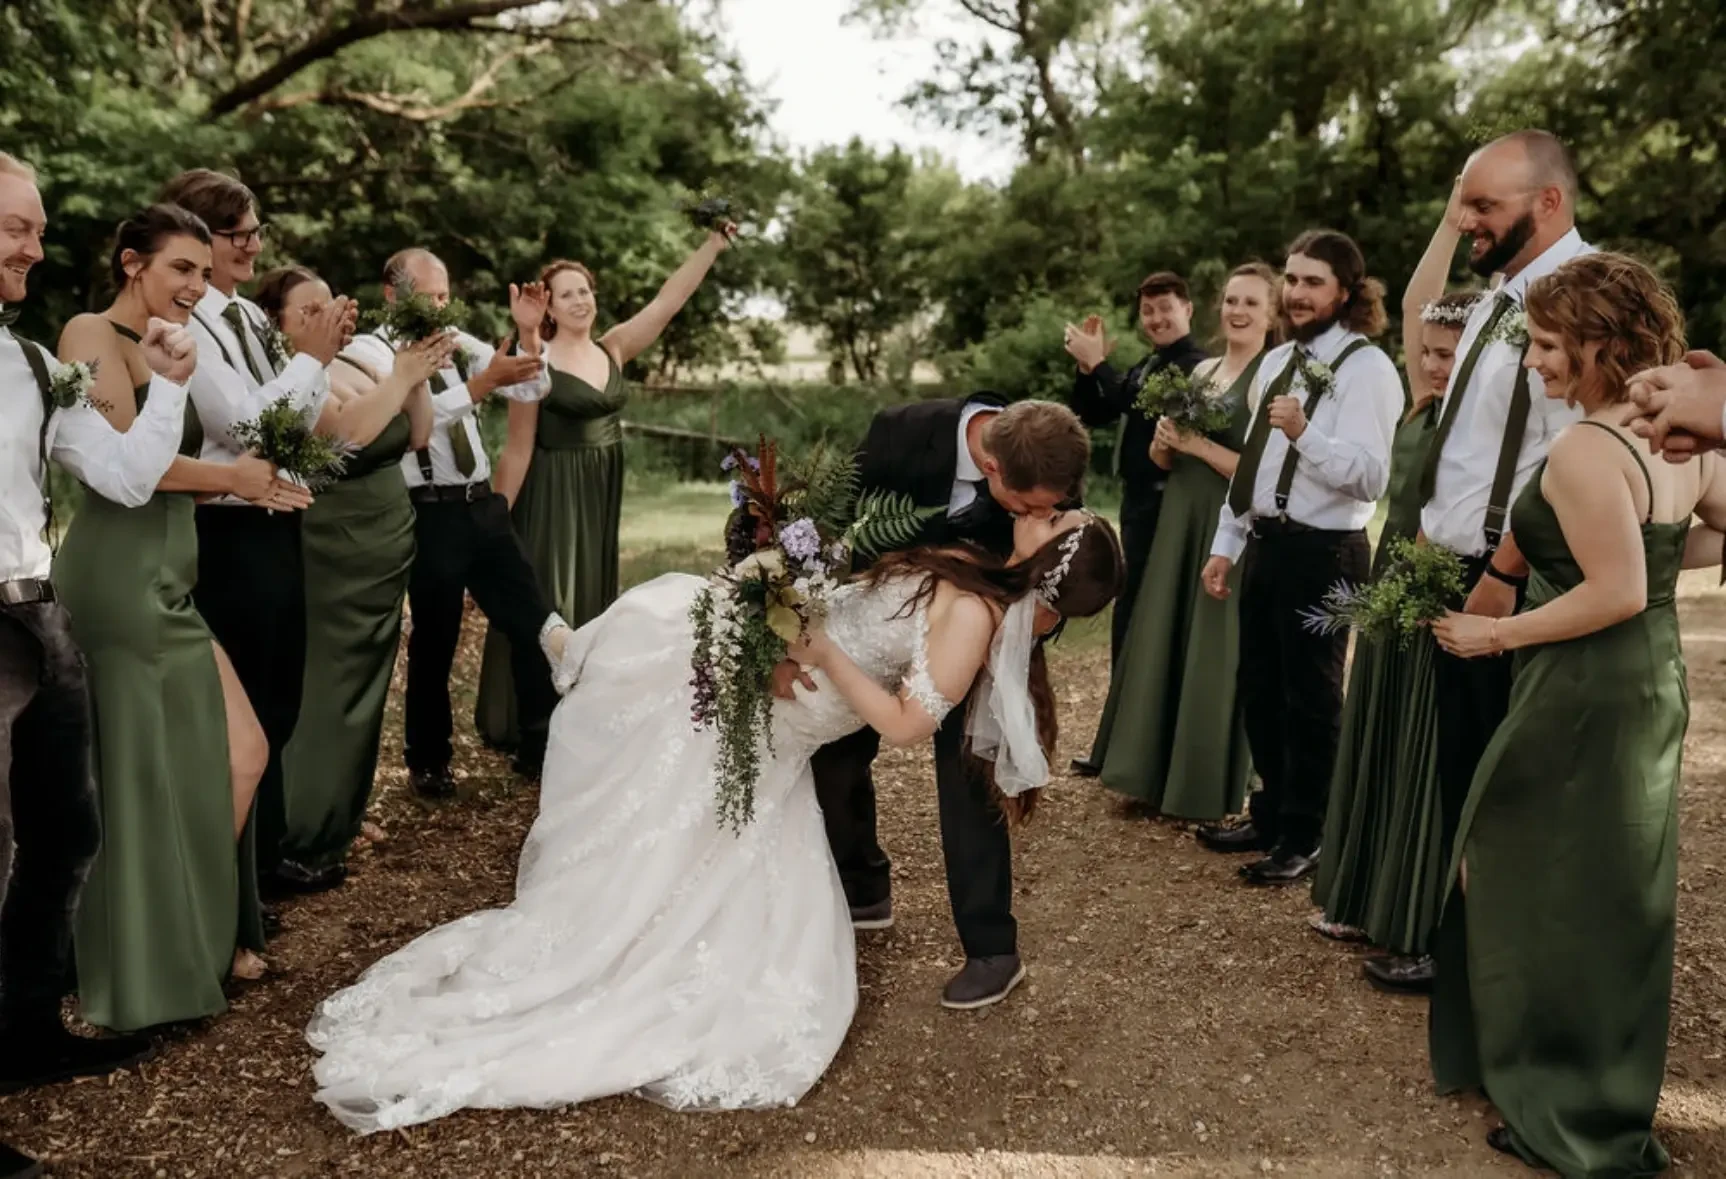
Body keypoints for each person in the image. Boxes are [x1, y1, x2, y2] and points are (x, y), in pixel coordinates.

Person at [306, 509, 1124, 1133]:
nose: (1044, 509)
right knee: (664, 689)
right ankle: (574, 671)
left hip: (799, 700)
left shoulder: (977, 616)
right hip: (774, 666)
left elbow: (908, 723)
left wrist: (817, 648)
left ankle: (573, 681)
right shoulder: (975, 570)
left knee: (686, 797)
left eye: (1057, 519)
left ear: (1048, 556)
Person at [1429, 251, 1711, 1176]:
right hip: (1649, 681)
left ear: (1601, 344)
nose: (1534, 362)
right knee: (1607, 891)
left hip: (1588, 679)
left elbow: (1619, 590)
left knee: (1516, 863)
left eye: (1549, 344)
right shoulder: (1672, 441)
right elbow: (1695, 541)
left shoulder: (1592, 447)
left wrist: (1492, 640)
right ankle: (1584, 1085)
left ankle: (1563, 1098)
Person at [56, 207, 311, 1028]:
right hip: (119, 580)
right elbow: (129, 463)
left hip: (169, 577)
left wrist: (245, 478)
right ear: (133, 264)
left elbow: (183, 458)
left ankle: (186, 933)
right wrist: (232, 478)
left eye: (204, 273)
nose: (197, 287)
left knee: (240, 753)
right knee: (135, 779)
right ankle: (129, 967)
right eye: (180, 270)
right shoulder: (90, 333)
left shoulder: (174, 343)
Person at [0, 152, 196, 1178]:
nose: (33, 245)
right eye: (15, 228)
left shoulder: (36, 362)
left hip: (39, 612)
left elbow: (121, 478)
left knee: (65, 833)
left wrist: (166, 390)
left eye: (33, 227)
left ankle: (24, 1030)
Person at [808, 397, 1092, 1008]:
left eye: (1052, 506)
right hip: (880, 622)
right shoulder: (900, 434)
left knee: (970, 773)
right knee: (834, 756)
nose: (1047, 513)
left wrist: (1036, 622)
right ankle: (862, 888)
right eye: (1034, 506)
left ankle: (992, 948)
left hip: (977, 628)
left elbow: (1062, 574)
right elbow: (830, 522)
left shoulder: (1048, 451)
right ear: (993, 470)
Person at [1411, 131, 1593, 997]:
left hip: (1507, 576)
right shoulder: (1494, 298)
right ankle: (1470, 962)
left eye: (1485, 206)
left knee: (1504, 788)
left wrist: (1506, 569)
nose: (1467, 220)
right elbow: (1472, 443)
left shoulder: (1584, 301)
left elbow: (1574, 458)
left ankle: (1506, 987)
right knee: (1462, 772)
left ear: (1548, 203)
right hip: (1456, 564)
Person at [160, 169, 351, 925]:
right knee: (241, 710)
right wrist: (311, 360)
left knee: (280, 701)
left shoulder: (244, 318)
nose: (254, 244)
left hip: (277, 519)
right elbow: (241, 427)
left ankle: (262, 867)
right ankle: (232, 895)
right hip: (225, 528)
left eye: (256, 229)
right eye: (238, 232)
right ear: (202, 236)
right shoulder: (190, 323)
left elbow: (291, 424)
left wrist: (308, 366)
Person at [1310, 181, 1484, 992]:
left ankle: (1412, 914)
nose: (1434, 362)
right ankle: (1360, 894)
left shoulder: (1472, 421)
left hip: (1434, 585)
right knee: (1374, 727)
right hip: (1389, 575)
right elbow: (1420, 300)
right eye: (1429, 350)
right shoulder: (1418, 405)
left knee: (1417, 743)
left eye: (1451, 355)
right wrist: (1453, 220)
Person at [476, 222, 736, 758]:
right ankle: (536, 729)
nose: (579, 301)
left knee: (592, 601)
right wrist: (496, 519)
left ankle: (583, 715)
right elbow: (518, 447)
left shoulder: (614, 347)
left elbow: (668, 301)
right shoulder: (535, 358)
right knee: (548, 599)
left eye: (585, 291)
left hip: (598, 494)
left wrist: (711, 245)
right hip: (552, 492)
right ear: (547, 307)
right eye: (566, 294)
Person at [1195, 230, 1402, 886]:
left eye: (1313, 281)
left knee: (1312, 697)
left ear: (1347, 291)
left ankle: (1308, 833)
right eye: (1292, 279)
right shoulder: (1276, 360)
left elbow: (1370, 477)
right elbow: (1254, 467)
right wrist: (1226, 544)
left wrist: (1306, 433)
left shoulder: (1368, 369)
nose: (1297, 292)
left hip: (1325, 552)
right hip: (1266, 544)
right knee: (1259, 688)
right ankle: (1272, 812)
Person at [340, 248, 561, 798]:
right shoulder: (371, 351)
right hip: (427, 510)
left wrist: (529, 337)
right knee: (435, 638)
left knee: (534, 620)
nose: (439, 305)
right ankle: (429, 759)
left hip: (481, 504)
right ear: (392, 294)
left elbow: (531, 388)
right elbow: (409, 417)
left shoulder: (458, 342)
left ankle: (543, 745)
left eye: (444, 295)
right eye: (427, 294)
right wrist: (482, 386)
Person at [258, 265, 448, 883]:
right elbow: (344, 440)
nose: (326, 319)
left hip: (384, 543)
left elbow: (418, 435)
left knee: (368, 685)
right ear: (277, 325)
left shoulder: (364, 366)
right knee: (328, 688)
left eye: (329, 306)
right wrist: (401, 376)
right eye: (307, 312)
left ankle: (340, 815)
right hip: (333, 546)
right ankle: (300, 831)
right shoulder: (295, 382)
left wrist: (410, 369)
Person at [1085, 263, 1278, 819]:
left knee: (1213, 649)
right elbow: (1159, 456)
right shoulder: (1203, 372)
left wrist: (1194, 446)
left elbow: (1261, 473)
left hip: (1229, 524)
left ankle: (1202, 782)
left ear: (1271, 315)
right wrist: (1166, 443)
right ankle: (1152, 773)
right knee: (1165, 634)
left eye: (1251, 304)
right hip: (1178, 517)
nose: (1238, 311)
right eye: (1232, 301)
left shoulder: (1273, 377)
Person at [1065, 272, 1208, 777]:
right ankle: (1118, 740)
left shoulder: (1194, 366)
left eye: (1165, 308)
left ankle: (1143, 747)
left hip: (1167, 506)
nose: (1156, 319)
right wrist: (1088, 370)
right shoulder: (1151, 362)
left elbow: (1139, 402)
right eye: (1148, 311)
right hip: (1137, 507)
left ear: (1188, 309)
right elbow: (1097, 409)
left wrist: (1101, 363)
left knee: (1147, 614)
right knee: (1129, 613)